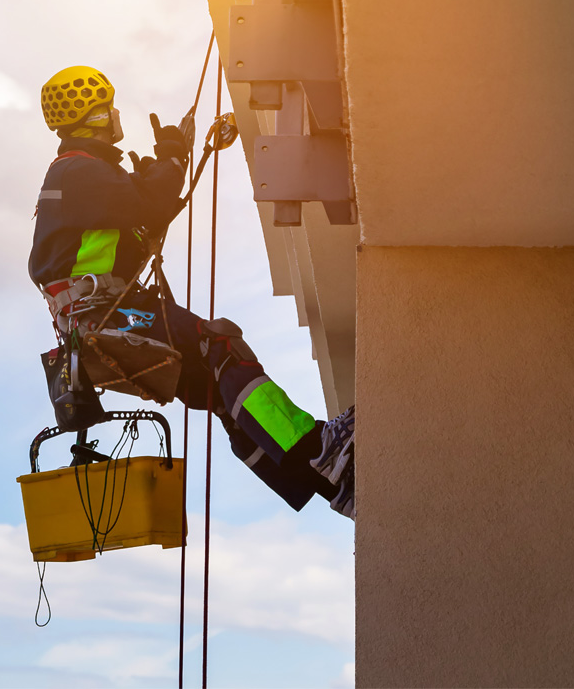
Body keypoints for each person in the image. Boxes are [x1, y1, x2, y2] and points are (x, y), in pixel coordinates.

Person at [29, 65, 354, 518]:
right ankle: (323, 451)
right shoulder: (77, 172)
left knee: (221, 393)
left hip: (95, 317)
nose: (116, 114)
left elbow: (144, 210)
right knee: (219, 344)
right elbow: (152, 201)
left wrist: (159, 174)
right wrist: (173, 158)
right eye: (109, 107)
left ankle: (326, 483)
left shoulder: (83, 178)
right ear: (96, 118)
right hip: (103, 314)